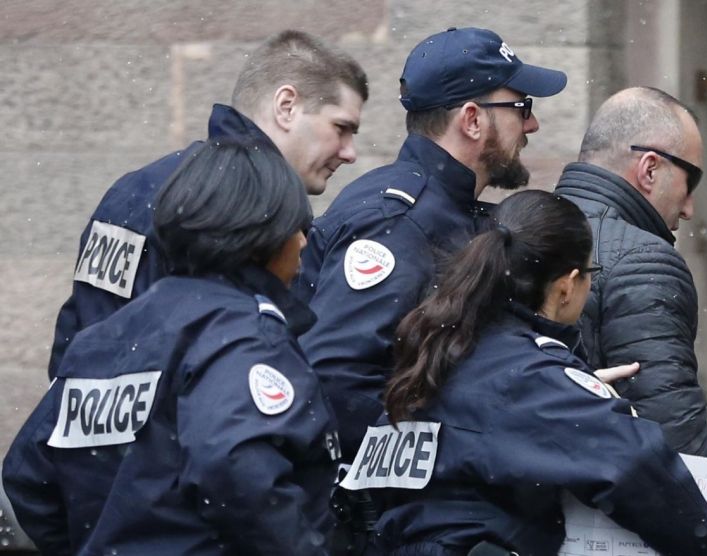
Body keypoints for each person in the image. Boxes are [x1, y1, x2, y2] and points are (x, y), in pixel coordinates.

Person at [339, 189, 707, 556]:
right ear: (567, 287)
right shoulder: (527, 376)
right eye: (590, 273)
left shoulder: (440, 352)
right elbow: (636, 467)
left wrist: (571, 390)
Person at [3, 139, 341, 555]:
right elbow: (235, 468)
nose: (303, 243)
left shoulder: (102, 339)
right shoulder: (243, 333)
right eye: (295, 228)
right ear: (259, 235)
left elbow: (28, 479)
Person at [294, 26, 567, 460]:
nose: (531, 124)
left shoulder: (446, 210)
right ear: (472, 120)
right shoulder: (398, 221)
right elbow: (335, 383)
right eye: (522, 107)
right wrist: (466, 449)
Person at [47, 30, 368, 379]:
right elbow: (236, 365)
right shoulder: (242, 211)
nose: (349, 153)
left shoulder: (136, 188)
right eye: (341, 127)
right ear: (286, 106)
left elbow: (79, 343)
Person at [554, 86, 707, 457]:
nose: (689, 209)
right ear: (650, 169)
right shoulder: (644, 261)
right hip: (588, 487)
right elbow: (674, 440)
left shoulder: (506, 231)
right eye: (691, 181)